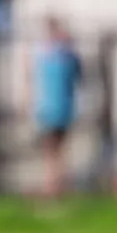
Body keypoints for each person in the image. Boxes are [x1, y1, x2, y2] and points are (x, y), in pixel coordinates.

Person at [31, 17, 82, 199]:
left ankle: (53, 188)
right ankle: (55, 186)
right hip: (58, 109)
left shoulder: (51, 57)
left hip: (54, 110)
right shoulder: (65, 56)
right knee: (55, 152)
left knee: (53, 152)